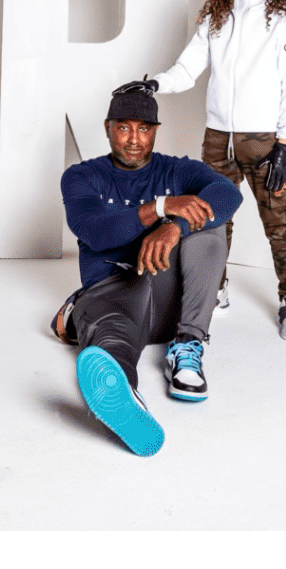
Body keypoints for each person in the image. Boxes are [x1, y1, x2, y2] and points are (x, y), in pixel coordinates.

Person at [124, 0, 286, 341]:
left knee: (277, 221)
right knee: (210, 219)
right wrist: (153, 85)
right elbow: (187, 68)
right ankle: (216, 286)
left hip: (265, 140)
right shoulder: (218, 16)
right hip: (218, 139)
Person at [55, 82, 242, 456]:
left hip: (170, 298)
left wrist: (176, 226)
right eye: (124, 127)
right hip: (114, 289)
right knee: (111, 344)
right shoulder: (81, 176)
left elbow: (229, 194)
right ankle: (123, 397)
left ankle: (188, 344)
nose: (134, 139)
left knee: (209, 227)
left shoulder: (177, 169)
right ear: (108, 128)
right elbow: (94, 230)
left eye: (143, 128)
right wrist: (159, 209)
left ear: (155, 130)